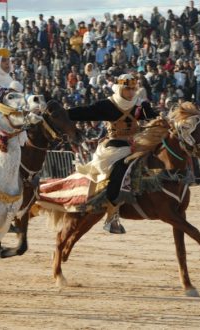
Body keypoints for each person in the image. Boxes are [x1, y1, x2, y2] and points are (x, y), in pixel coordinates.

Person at [67, 74, 157, 234]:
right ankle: (112, 214)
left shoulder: (138, 105)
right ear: (120, 88)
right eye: (127, 88)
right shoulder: (109, 105)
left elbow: (153, 116)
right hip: (116, 146)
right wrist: (65, 113)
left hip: (137, 144)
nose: (131, 92)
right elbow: (87, 112)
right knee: (121, 168)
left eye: (133, 88)